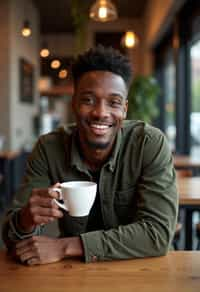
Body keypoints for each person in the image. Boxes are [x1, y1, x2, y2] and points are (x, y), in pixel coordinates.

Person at [2, 45, 178, 265]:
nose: (101, 113)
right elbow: (11, 238)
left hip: (145, 269)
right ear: (74, 103)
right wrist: (26, 219)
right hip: (74, 274)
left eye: (113, 103)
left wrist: (65, 246)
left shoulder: (148, 144)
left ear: (124, 109)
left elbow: (157, 235)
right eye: (88, 100)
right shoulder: (49, 148)